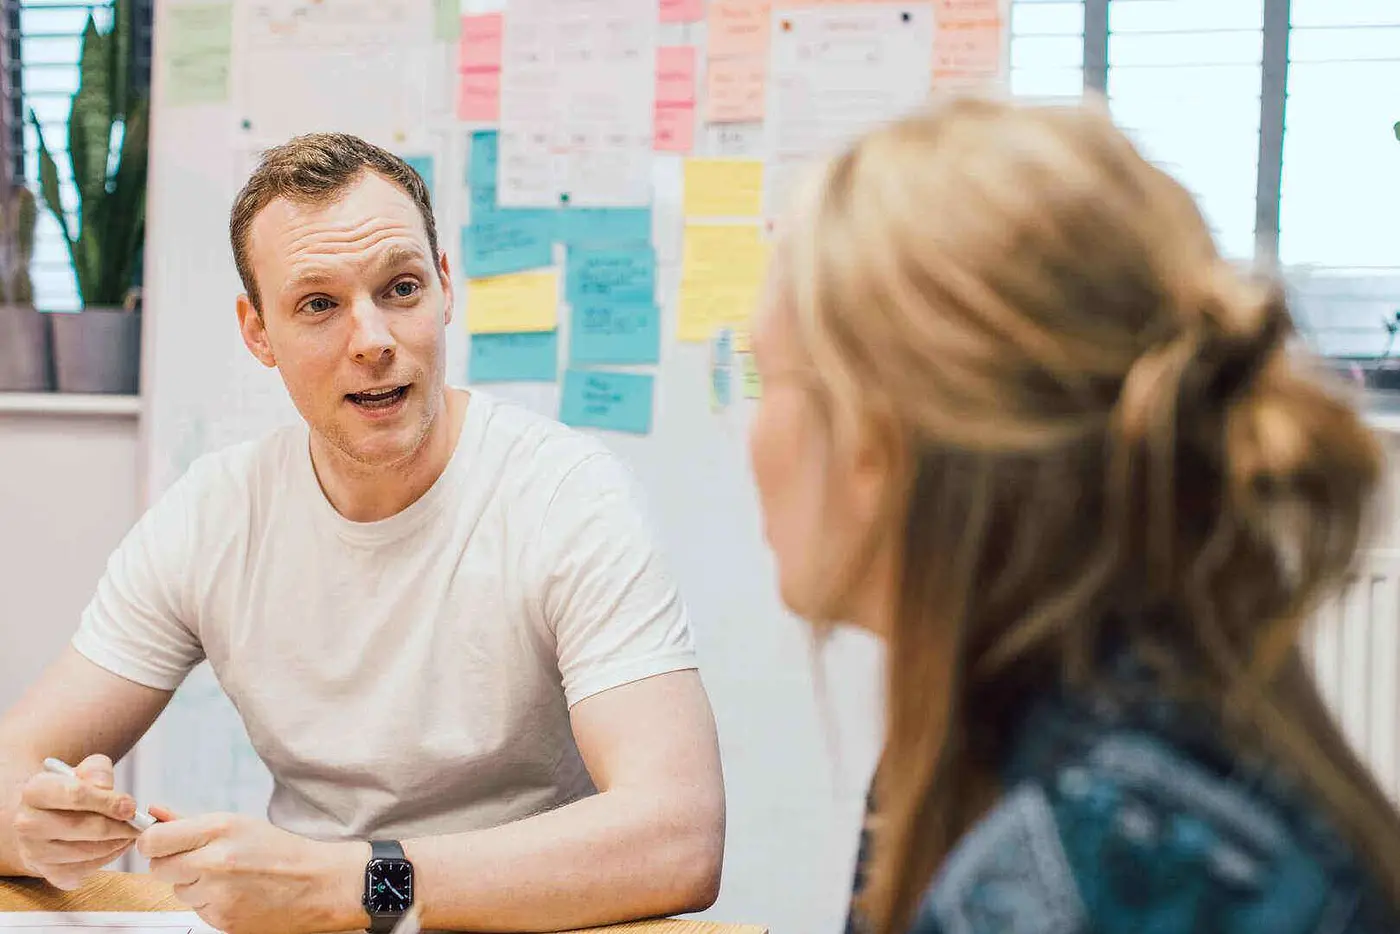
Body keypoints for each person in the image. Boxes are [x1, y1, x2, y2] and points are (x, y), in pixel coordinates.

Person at [0, 133, 725, 934]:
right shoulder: (214, 514)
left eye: (401, 288)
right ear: (258, 333)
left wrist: (358, 885)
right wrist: (33, 830)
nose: (373, 339)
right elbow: (12, 768)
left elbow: (680, 834)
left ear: (445, 288)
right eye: (319, 304)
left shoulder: (567, 497)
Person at [747, 93, 1400, 934]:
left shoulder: (1093, 866)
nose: (756, 436)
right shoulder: (1103, 768)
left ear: (878, 444)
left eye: (770, 381)